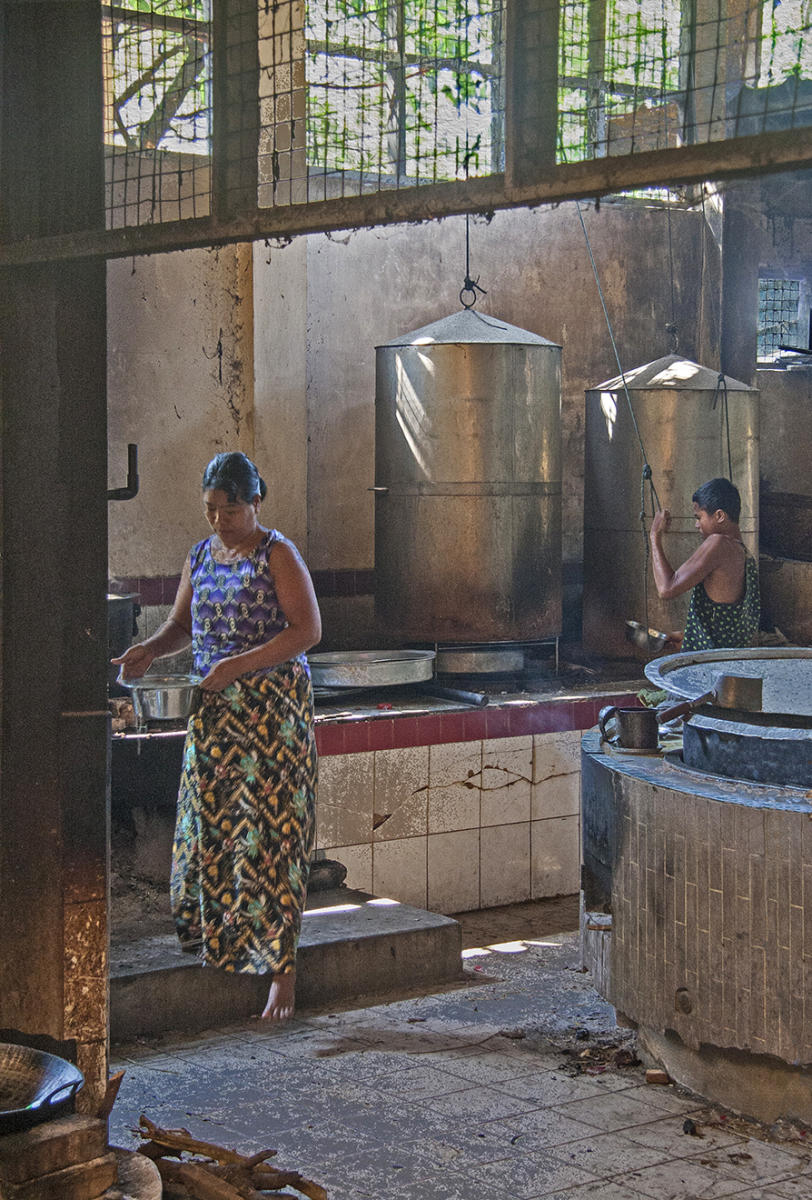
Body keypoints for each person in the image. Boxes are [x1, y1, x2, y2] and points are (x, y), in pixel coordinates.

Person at [112, 451, 321, 1022]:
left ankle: (283, 971)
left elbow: (308, 630)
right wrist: (151, 649)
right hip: (217, 720)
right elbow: (183, 625)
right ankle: (226, 942)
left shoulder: (277, 554)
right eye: (209, 510)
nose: (218, 522)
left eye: (228, 510)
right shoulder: (201, 555)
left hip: (272, 717)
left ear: (255, 501)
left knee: (273, 833)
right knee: (220, 828)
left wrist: (239, 666)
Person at [649, 476, 759, 653]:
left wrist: (654, 536)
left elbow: (666, 588)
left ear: (720, 516)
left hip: (710, 667)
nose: (696, 525)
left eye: (699, 517)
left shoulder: (718, 543)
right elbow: (726, 624)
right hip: (729, 662)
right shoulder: (744, 554)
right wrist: (689, 636)